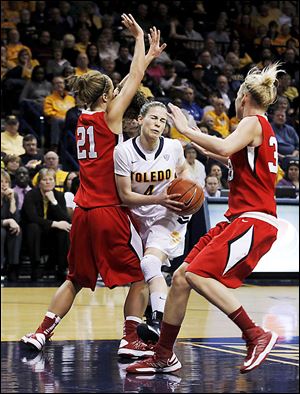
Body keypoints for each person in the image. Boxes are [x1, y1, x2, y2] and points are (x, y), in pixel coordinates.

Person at [21, 15, 167, 359]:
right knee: (140, 278)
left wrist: (147, 57)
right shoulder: (109, 117)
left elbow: (132, 78)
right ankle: (131, 339)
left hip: (83, 213)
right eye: (112, 90)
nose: (117, 91)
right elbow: (134, 79)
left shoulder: (82, 118)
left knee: (74, 279)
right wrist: (138, 42)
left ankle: (40, 334)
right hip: (108, 211)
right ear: (105, 96)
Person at [127, 63, 282, 374]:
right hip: (239, 218)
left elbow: (224, 145)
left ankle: (256, 335)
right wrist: (192, 134)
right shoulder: (257, 130)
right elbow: (224, 153)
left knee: (198, 275)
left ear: (242, 98)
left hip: (254, 219)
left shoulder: (253, 122)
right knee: (182, 277)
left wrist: (186, 130)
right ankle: (164, 354)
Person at [114, 101, 189, 342]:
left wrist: (188, 194)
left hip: (167, 216)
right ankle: (134, 336)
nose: (158, 124)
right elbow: (125, 196)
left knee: (149, 263)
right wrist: (159, 197)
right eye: (154, 118)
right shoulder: (123, 151)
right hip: (136, 217)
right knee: (141, 277)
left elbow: (184, 171)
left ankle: (158, 321)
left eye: (163, 121)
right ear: (139, 120)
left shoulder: (173, 147)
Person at [22, 168, 71, 281]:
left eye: (51, 179)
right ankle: (36, 267)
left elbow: (65, 219)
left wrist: (54, 202)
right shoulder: (31, 195)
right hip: (33, 233)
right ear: (39, 183)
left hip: (51, 233)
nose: (48, 182)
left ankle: (61, 268)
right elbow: (32, 218)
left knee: (64, 230)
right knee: (33, 227)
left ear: (54, 182)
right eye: (44, 180)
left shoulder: (58, 195)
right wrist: (54, 223)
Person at [1, 169, 22, 282]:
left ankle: (13, 267)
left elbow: (16, 219)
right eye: (1, 181)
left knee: (17, 231)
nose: (4, 185)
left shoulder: (12, 196)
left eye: (6, 182)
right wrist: (7, 221)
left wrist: (12, 200)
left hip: (6, 227)